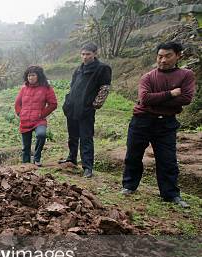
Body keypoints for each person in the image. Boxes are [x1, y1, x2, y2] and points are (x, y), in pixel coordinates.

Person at [121, 42, 196, 208]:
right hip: (142, 120)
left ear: (178, 55)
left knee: (167, 160)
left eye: (168, 56)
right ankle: (129, 186)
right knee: (133, 155)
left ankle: (170, 195)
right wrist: (171, 94)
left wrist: (158, 99)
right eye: (160, 56)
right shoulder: (148, 77)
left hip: (166, 123)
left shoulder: (186, 75)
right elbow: (145, 99)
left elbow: (186, 99)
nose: (163, 60)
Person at [60, 43, 112, 178]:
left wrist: (94, 106)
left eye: (88, 54)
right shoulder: (78, 69)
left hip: (86, 109)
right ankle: (71, 158)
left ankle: (87, 166)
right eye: (83, 54)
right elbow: (72, 87)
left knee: (86, 137)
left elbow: (104, 89)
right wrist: (67, 102)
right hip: (72, 107)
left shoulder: (102, 69)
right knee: (72, 136)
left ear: (95, 53)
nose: (85, 57)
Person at [14, 65, 57, 166]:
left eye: (33, 75)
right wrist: (20, 114)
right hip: (25, 120)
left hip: (39, 120)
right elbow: (17, 103)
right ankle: (25, 165)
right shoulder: (24, 89)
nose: (30, 78)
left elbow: (53, 104)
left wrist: (42, 114)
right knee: (26, 147)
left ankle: (37, 158)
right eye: (29, 76)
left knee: (41, 134)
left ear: (39, 76)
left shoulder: (46, 88)